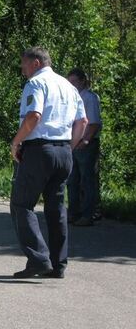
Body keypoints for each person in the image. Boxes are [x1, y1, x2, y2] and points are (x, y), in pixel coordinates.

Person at [10, 47, 88, 279]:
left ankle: (38, 259)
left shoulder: (36, 83)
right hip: (64, 150)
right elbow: (82, 121)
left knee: (21, 205)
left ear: (35, 63)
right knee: (56, 210)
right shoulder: (69, 86)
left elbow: (34, 116)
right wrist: (68, 148)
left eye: (24, 64)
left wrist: (16, 142)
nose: (23, 70)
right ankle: (58, 264)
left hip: (39, 150)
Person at [67, 68, 102, 226]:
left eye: (74, 81)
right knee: (72, 180)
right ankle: (74, 213)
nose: (72, 84)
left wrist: (85, 140)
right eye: (70, 81)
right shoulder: (72, 97)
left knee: (87, 180)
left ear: (82, 81)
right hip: (73, 143)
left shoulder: (90, 98)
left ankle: (89, 215)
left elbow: (93, 123)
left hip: (86, 144)